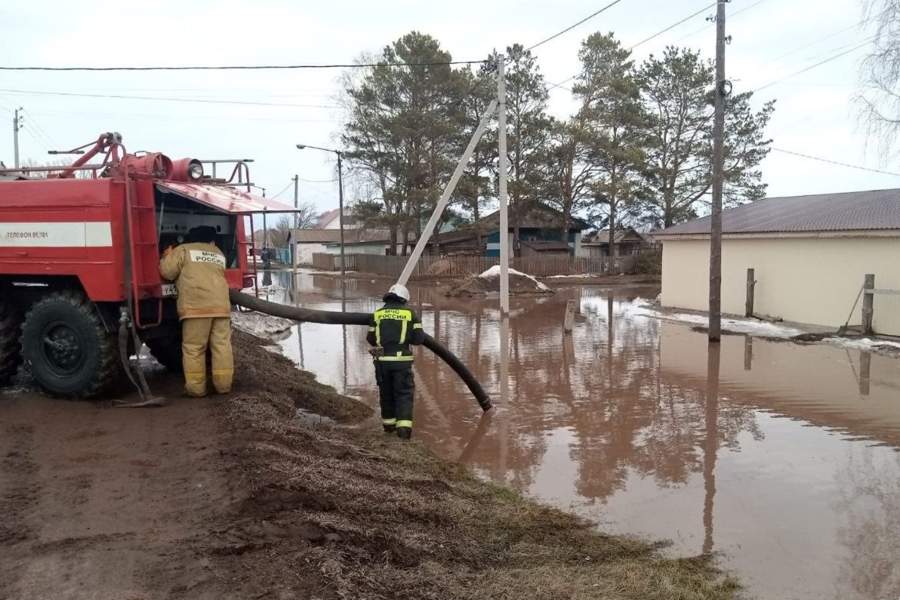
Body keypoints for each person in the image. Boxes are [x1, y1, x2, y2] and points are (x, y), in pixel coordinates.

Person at [159, 226, 233, 397]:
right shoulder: (218, 253)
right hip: (221, 307)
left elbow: (167, 272)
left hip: (196, 308)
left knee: (194, 348)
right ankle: (223, 386)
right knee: (222, 346)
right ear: (211, 240)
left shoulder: (183, 250)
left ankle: (196, 389)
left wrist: (166, 256)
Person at [366, 283, 425, 440]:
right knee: (404, 394)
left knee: (386, 394)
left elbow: (371, 339)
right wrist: (405, 337)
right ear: (404, 299)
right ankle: (404, 432)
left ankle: (389, 428)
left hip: (382, 363)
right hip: (401, 363)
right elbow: (419, 339)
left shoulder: (377, 314)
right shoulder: (410, 314)